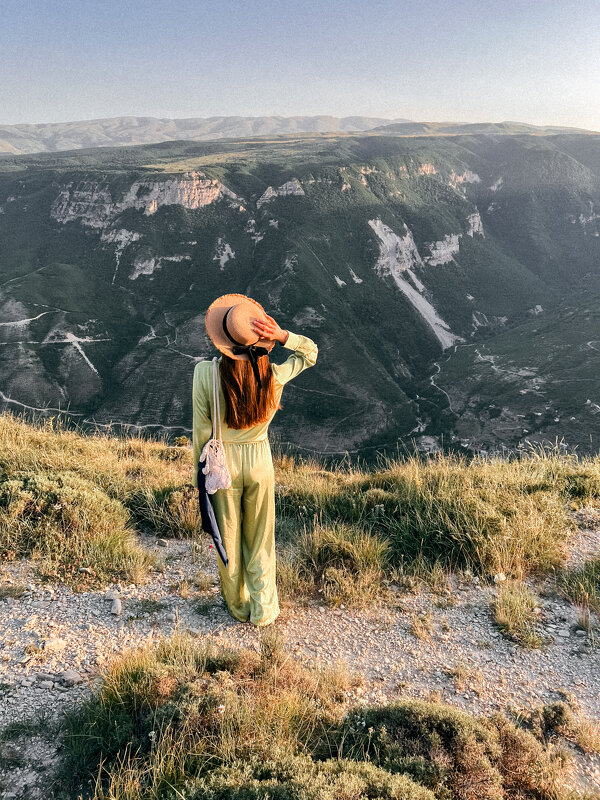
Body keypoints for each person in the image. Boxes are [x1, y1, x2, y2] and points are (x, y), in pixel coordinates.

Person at [192, 293, 318, 626]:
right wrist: (283, 336)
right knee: (261, 538)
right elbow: (311, 353)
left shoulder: (205, 374)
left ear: (223, 341)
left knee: (229, 537)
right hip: (260, 461)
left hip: (223, 466)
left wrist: (200, 478)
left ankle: (238, 607)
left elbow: (200, 434)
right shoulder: (273, 376)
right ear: (260, 339)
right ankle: (264, 610)